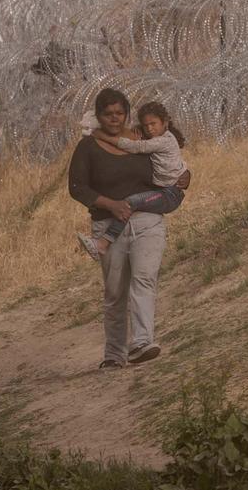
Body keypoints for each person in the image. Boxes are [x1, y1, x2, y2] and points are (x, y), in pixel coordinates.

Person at [67, 88, 189, 369]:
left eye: (120, 113)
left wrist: (186, 173)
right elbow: (77, 187)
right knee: (115, 292)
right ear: (98, 115)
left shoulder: (142, 136)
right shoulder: (88, 146)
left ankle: (142, 343)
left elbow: (169, 158)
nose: (114, 118)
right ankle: (114, 355)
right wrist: (110, 204)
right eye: (108, 114)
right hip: (108, 224)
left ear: (127, 113)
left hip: (147, 221)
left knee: (144, 280)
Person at [76, 101, 187, 262]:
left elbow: (136, 147)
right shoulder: (157, 135)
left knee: (130, 202)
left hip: (170, 194)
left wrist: (102, 136)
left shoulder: (163, 141)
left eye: (153, 124)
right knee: (131, 203)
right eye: (146, 125)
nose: (149, 128)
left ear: (165, 123)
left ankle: (102, 244)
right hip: (164, 191)